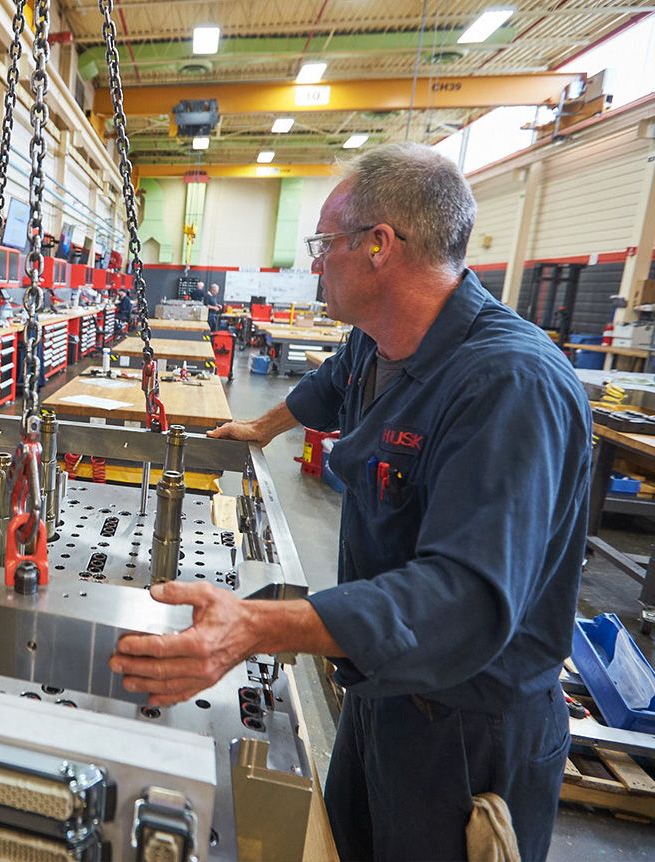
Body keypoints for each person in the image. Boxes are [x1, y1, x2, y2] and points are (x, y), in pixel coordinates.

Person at [109, 143, 589, 861]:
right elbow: (334, 380)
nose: (313, 262)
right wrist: (263, 427)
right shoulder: (383, 339)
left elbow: (462, 599)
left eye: (322, 244)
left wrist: (255, 626)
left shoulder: (507, 388)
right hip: (381, 691)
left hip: (465, 734)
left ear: (379, 247)